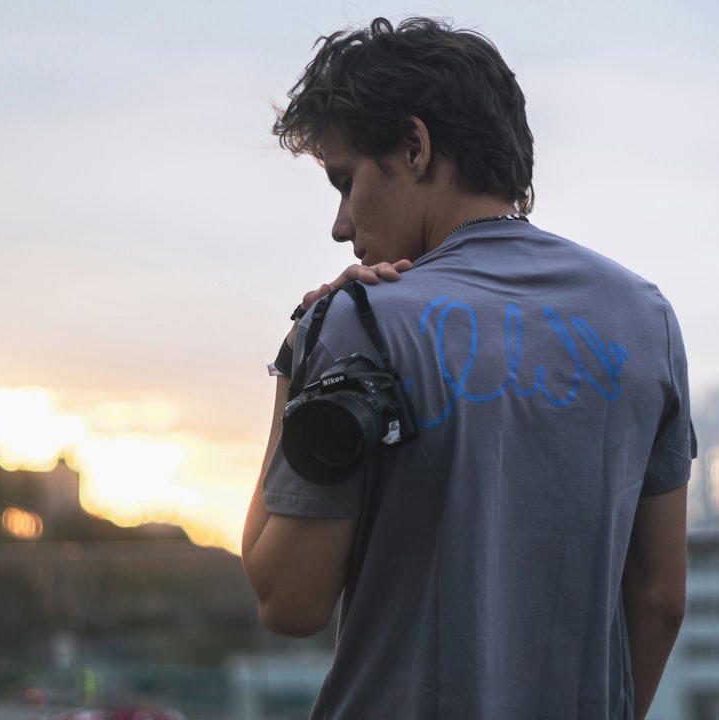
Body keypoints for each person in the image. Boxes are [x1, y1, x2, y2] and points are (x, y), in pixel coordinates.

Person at [242, 17, 695, 719]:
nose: (339, 224)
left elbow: (288, 600)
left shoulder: (359, 320)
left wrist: (300, 353)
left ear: (415, 147)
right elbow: (662, 597)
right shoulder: (646, 317)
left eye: (345, 179)